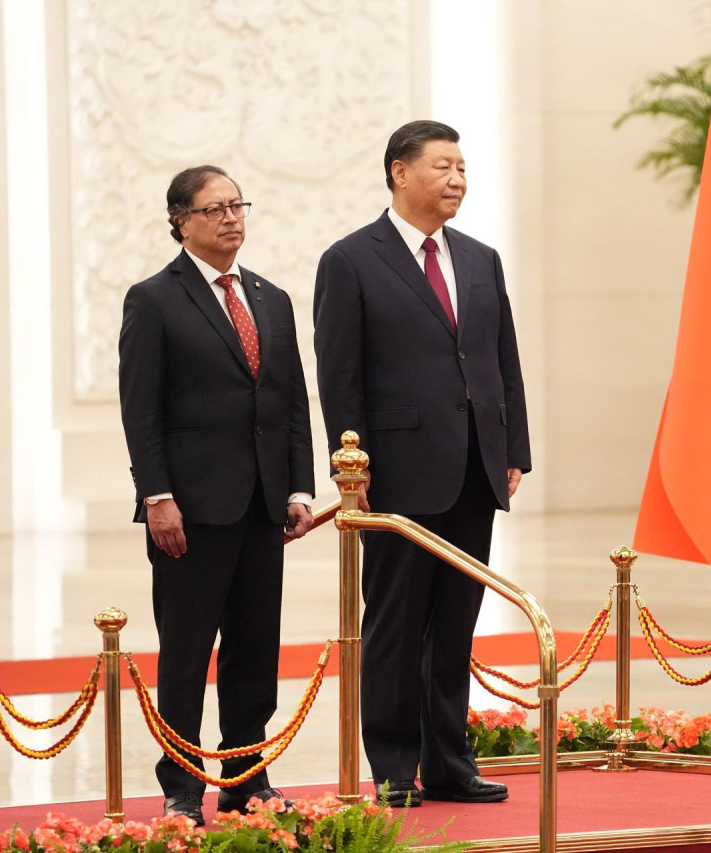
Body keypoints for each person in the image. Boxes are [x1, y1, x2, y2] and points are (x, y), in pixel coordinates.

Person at [313, 120, 531, 807]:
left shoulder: (480, 257)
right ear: (400, 172)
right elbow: (339, 374)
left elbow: (504, 363)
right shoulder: (350, 259)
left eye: (463, 167)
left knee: (455, 622)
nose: (458, 178)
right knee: (397, 622)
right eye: (444, 165)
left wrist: (514, 449)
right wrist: (353, 466)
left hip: (475, 466)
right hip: (397, 470)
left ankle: (448, 762)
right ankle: (394, 766)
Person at [118, 165, 316, 825]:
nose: (232, 218)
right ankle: (180, 786)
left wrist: (298, 485)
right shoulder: (155, 299)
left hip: (262, 505)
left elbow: (289, 401)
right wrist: (157, 496)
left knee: (256, 648)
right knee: (185, 652)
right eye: (216, 208)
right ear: (181, 219)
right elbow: (140, 412)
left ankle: (246, 777)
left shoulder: (271, 297)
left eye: (238, 205)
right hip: (190, 511)